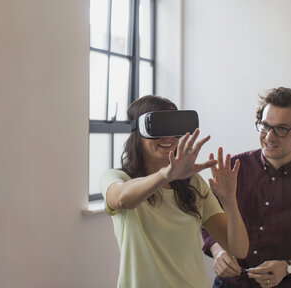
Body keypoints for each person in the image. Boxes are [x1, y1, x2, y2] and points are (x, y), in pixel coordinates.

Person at [202, 87, 291, 288]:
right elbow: (207, 220)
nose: (269, 137)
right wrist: (218, 251)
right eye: (264, 126)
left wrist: (288, 267)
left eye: (281, 129)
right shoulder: (234, 169)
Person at [100, 95, 249, 288]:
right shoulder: (116, 178)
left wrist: (229, 200)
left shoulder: (193, 183)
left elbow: (239, 249)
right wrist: (166, 174)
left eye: (174, 128)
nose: (169, 138)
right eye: (160, 128)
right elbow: (121, 199)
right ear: (138, 132)